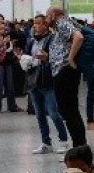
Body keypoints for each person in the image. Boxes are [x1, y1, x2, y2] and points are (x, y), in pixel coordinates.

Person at [27, 14, 70, 155]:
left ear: (45, 25)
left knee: (53, 113)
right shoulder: (32, 41)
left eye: (38, 23)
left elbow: (59, 57)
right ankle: (46, 143)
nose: (35, 26)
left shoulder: (52, 39)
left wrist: (47, 57)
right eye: (34, 23)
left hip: (47, 80)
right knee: (39, 114)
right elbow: (29, 56)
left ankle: (63, 140)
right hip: (34, 80)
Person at [47, 6, 87, 147]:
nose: (46, 18)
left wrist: (70, 58)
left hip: (65, 71)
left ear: (53, 15)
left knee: (68, 109)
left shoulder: (62, 23)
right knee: (70, 109)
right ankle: (80, 143)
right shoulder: (62, 25)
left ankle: (79, 144)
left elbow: (78, 37)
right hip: (63, 71)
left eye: (47, 15)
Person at [0, 23, 23, 114]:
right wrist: (3, 43)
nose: (3, 30)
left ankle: (12, 106)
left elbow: (10, 50)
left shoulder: (7, 38)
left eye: (4, 29)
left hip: (8, 63)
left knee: (10, 85)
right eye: (0, 28)